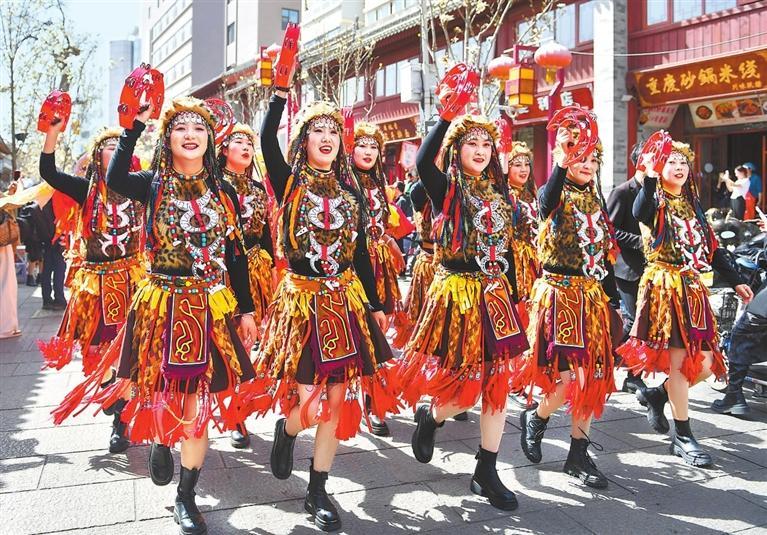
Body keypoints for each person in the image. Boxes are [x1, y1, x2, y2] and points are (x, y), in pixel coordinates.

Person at [53, 97, 259, 535]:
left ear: (211, 140)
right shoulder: (152, 183)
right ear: (167, 138)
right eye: (181, 127)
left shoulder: (223, 192)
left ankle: (186, 496)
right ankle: (162, 440)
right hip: (161, 305)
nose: (191, 134)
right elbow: (115, 178)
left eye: (199, 128)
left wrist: (246, 309)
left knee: (197, 403)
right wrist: (133, 129)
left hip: (208, 307)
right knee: (165, 393)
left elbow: (236, 256)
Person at [256, 81, 397, 531]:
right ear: (304, 140)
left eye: (333, 131)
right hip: (302, 304)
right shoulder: (290, 182)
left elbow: (360, 254)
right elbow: (266, 138)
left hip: (344, 303)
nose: (327, 137)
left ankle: (317, 489)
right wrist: (280, 92)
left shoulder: (351, 193)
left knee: (335, 402)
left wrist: (375, 303)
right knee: (313, 404)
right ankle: (288, 429)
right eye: (317, 130)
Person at [396, 108, 529, 511]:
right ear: (456, 149)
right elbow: (423, 162)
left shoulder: (501, 192)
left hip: (496, 298)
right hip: (459, 297)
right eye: (472, 143)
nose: (481, 150)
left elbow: (508, 248)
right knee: (465, 389)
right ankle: (433, 416)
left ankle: (486, 470)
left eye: (487, 144)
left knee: (497, 385)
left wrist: (515, 294)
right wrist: (444, 117)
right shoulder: (446, 189)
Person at [617, 140, 754, 467]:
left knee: (706, 363)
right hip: (666, 289)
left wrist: (736, 279)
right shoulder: (653, 200)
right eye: (671, 162)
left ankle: (657, 394)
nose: (678, 167)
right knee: (681, 363)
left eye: (682, 162)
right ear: (659, 168)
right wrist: (651, 177)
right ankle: (683, 435)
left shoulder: (692, 203)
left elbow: (712, 248)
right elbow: (639, 212)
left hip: (694, 290)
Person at [514, 127, 621, 489]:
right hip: (560, 297)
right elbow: (546, 200)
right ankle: (538, 416)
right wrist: (561, 160)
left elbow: (603, 258)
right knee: (569, 380)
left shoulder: (596, 199)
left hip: (592, 299)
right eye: (580, 157)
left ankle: (578, 455)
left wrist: (613, 301)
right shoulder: (554, 195)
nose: (587, 164)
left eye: (593, 159)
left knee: (591, 379)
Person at [37, 123, 148, 453]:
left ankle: (121, 424)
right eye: (110, 146)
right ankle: (111, 393)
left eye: (121, 146)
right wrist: (52, 133)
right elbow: (49, 173)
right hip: (95, 287)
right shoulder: (85, 189)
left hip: (132, 281)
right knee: (97, 353)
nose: (117, 149)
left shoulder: (140, 187)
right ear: (97, 156)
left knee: (129, 353)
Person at [217, 122, 275, 449]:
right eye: (238, 141)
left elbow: (265, 234)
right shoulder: (213, 183)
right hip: (221, 275)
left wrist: (271, 269)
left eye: (250, 143)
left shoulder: (257, 188)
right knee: (224, 345)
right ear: (223, 148)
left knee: (246, 342)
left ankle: (237, 413)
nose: (246, 147)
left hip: (255, 273)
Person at [606, 142, 648, 394]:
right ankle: (625, 367)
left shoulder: (657, 193)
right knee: (633, 321)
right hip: (627, 268)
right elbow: (610, 230)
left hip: (651, 269)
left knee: (644, 323)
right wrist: (640, 242)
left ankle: (628, 369)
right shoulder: (622, 192)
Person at [0, 180, 21, 339]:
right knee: (6, 283)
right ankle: (6, 327)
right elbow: (8, 203)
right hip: (2, 243)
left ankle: (7, 326)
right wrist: (11, 195)